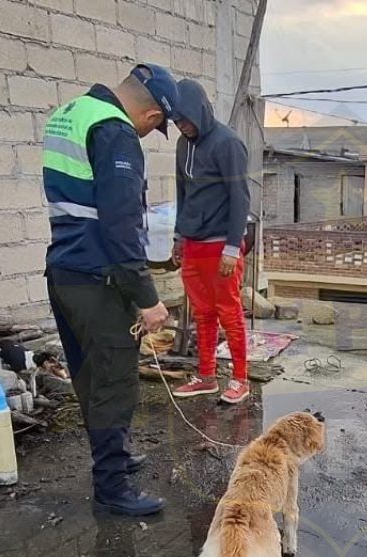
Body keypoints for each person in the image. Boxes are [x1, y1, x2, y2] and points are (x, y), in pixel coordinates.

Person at [42, 64, 180, 517]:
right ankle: (113, 488)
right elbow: (121, 225)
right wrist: (147, 298)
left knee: (88, 377)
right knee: (115, 383)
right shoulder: (116, 132)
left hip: (65, 272)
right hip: (99, 281)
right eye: (154, 126)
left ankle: (113, 457)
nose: (147, 132)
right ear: (153, 115)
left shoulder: (70, 113)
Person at [170, 79, 252, 404]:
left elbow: (240, 197)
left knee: (229, 312)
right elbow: (182, 191)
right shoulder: (182, 145)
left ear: (200, 111)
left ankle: (240, 379)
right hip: (193, 243)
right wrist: (179, 236)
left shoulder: (228, 143)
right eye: (177, 121)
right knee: (202, 313)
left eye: (186, 119)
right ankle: (206, 376)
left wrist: (233, 247)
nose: (182, 126)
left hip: (221, 245)